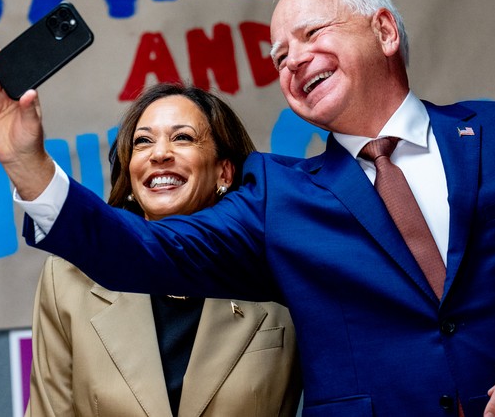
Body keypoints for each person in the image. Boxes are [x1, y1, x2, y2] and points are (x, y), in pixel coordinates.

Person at [0, 0, 495, 417]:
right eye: (279, 57)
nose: (292, 62)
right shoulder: (276, 197)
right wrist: (27, 163)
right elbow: (137, 248)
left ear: (382, 30)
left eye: (311, 33)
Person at [22, 83, 302, 417]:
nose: (159, 154)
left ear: (224, 172)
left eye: (182, 137)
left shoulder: (281, 264)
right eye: (143, 141)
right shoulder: (67, 277)